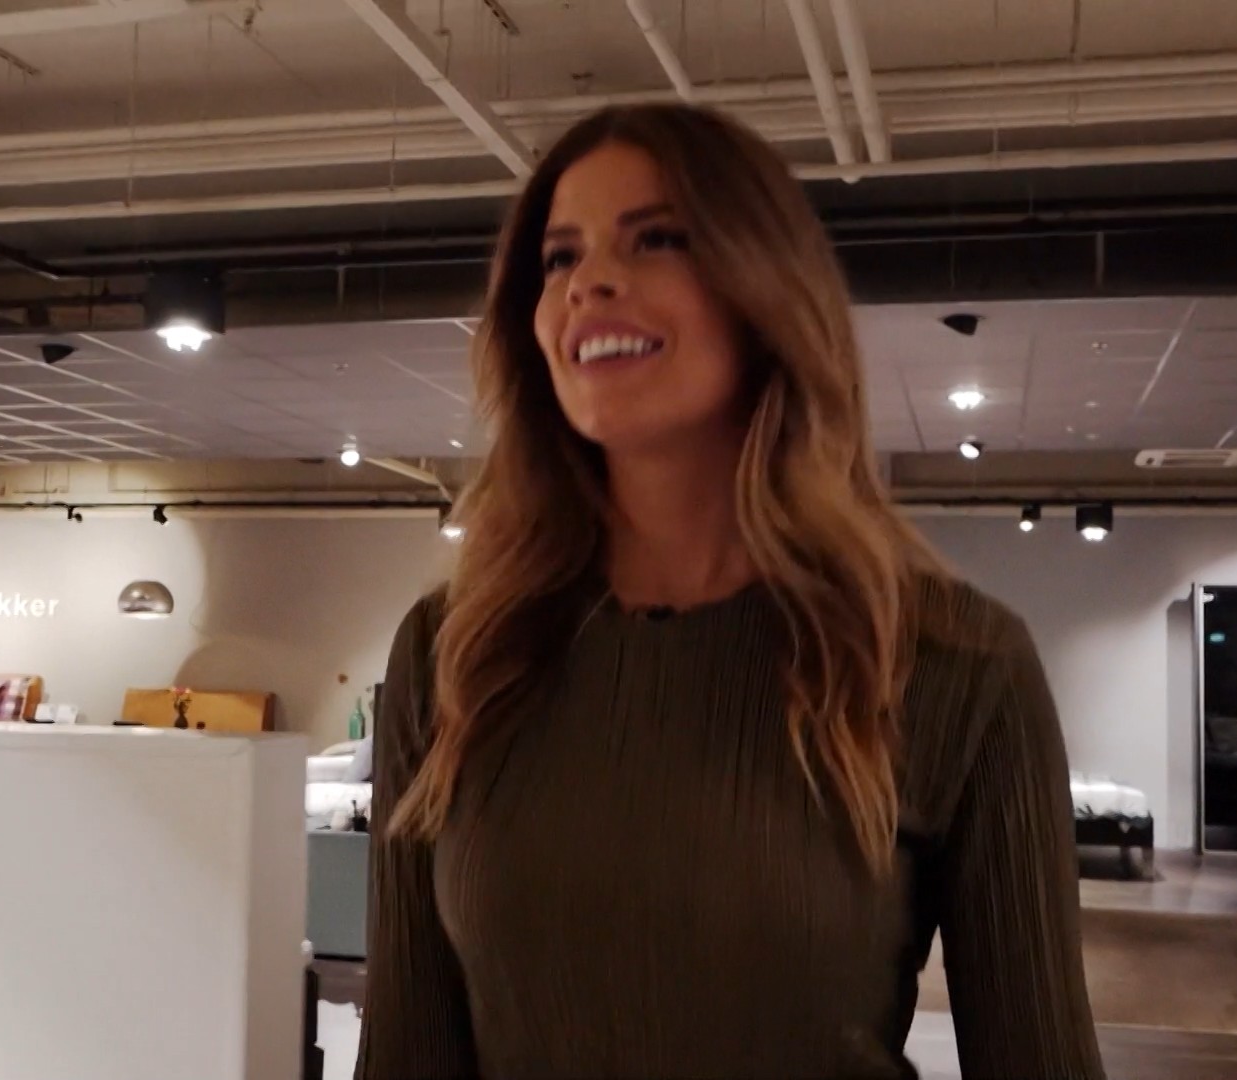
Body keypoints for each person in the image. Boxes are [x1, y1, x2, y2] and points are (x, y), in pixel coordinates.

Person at [355, 102, 1102, 1079]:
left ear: (766, 290)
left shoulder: (951, 662)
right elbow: (405, 1054)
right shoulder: (454, 653)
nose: (589, 283)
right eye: (560, 257)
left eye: (657, 239)